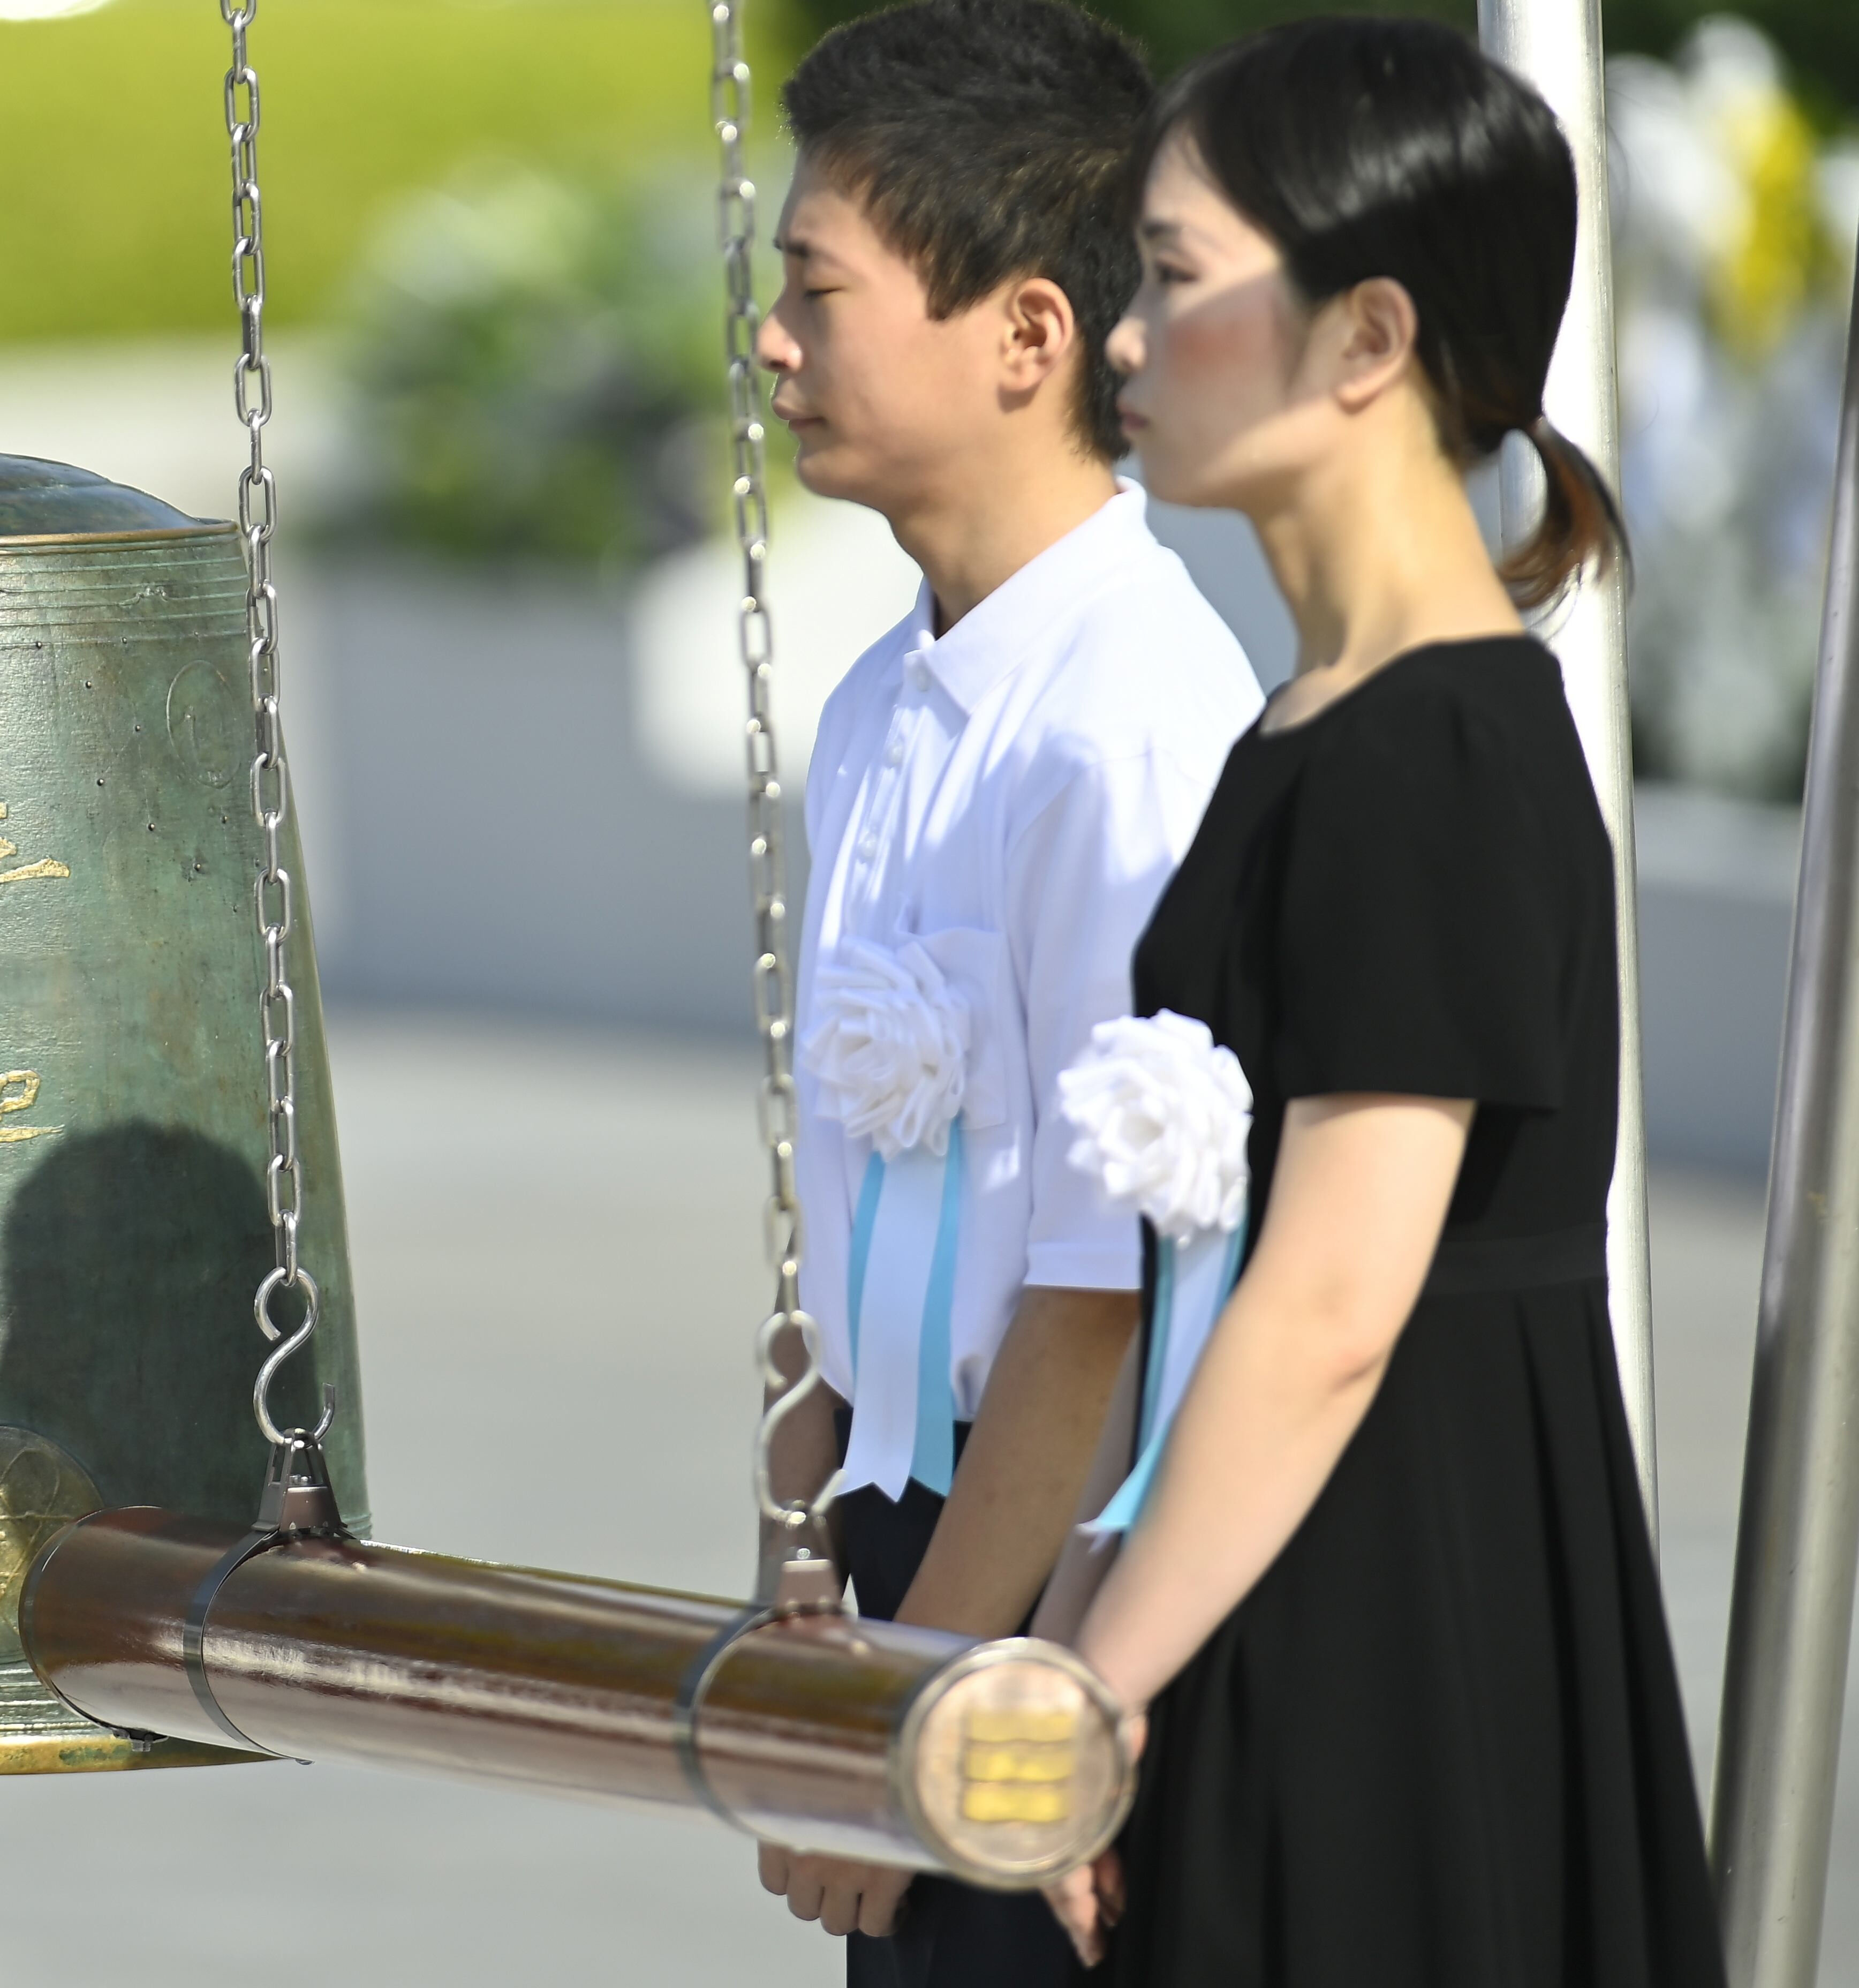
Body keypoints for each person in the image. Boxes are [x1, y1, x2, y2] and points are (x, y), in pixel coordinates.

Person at [1041, 18, 1724, 1986]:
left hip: (1396, 1602)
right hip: (1304, 1555)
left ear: (1368, 340)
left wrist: (1102, 1678)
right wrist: (1109, 1594)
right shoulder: (1331, 721)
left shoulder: (1430, 746)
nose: (1125, 340)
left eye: (1172, 279)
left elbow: (1340, 1297)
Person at [750, 3, 1261, 1980]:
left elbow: (1097, 1298)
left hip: (1057, 1588)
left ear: (1030, 335)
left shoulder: (1124, 727)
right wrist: (804, 1581)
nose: (773, 339)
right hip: (908, 1564)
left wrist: (915, 1701)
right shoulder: (890, 696)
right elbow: (857, 1207)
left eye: (818, 288)